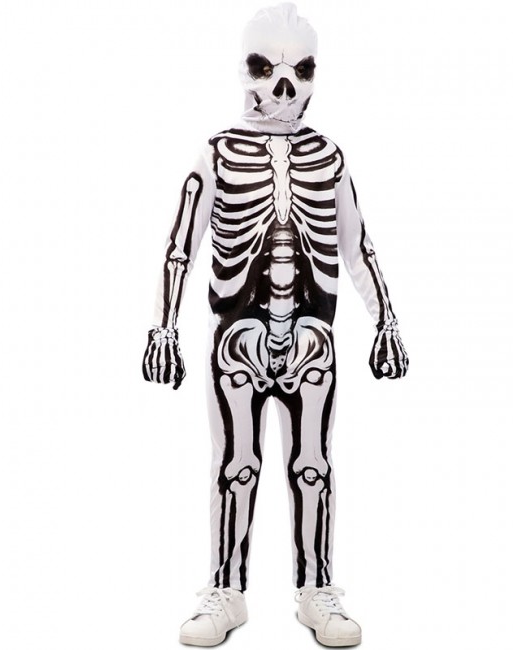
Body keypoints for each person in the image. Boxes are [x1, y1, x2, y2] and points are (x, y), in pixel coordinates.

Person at [141, 3, 408, 646]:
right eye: (267, 70)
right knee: (234, 463)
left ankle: (317, 591)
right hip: (237, 338)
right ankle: (226, 592)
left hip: (313, 336)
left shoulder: (330, 157)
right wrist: (162, 329)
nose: (284, 88)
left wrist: (386, 322)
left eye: (301, 72)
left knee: (314, 463)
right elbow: (181, 247)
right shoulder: (215, 154)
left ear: (315, 74)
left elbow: (357, 245)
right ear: (245, 71)